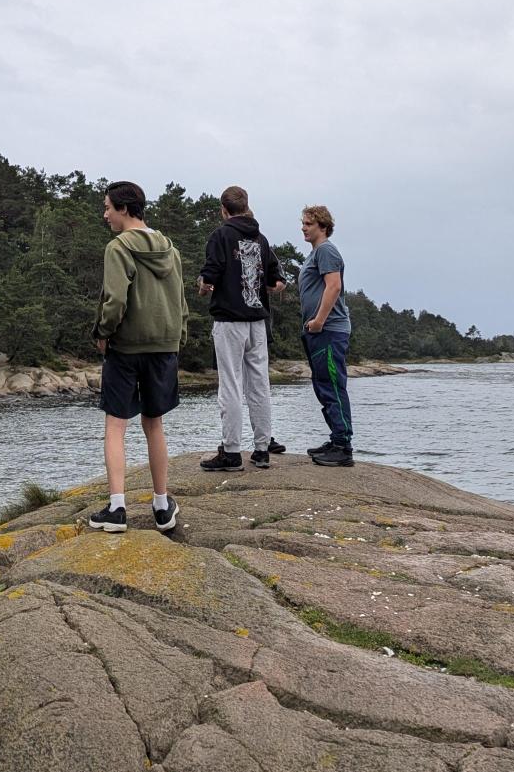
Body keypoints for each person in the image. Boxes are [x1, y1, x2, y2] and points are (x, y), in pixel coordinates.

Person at [87, 181, 188, 535]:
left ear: (125, 209)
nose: (105, 214)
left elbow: (115, 300)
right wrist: (179, 337)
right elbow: (180, 299)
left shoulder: (118, 248)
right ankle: (162, 507)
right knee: (154, 423)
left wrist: (102, 333)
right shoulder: (170, 249)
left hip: (126, 348)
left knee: (116, 425)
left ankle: (117, 508)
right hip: (164, 347)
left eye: (108, 208)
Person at [196, 185, 287, 471]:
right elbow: (277, 281)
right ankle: (262, 450)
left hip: (229, 320)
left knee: (231, 385)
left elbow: (210, 275)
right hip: (257, 321)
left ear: (224, 210)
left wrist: (203, 286)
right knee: (259, 384)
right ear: (246, 206)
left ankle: (232, 452)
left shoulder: (221, 235)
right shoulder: (261, 239)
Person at [298, 204, 354, 466]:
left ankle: (343, 447)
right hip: (318, 331)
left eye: (308, 224)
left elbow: (334, 286)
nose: (303, 228)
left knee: (332, 385)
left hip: (329, 330)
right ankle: (336, 437)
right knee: (323, 386)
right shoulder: (316, 253)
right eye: (303, 223)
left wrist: (319, 321)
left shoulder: (327, 250)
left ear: (322, 226)